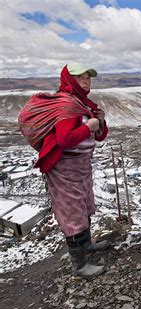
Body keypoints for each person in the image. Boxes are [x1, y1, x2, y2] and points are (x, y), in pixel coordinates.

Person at [18, 62, 110, 278]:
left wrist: (100, 123)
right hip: (65, 166)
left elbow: (99, 136)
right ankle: (79, 266)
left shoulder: (82, 103)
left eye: (88, 77)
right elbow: (65, 139)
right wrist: (89, 126)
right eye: (80, 77)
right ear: (69, 79)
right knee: (72, 211)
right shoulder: (67, 105)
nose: (86, 81)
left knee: (84, 204)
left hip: (80, 165)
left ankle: (86, 245)